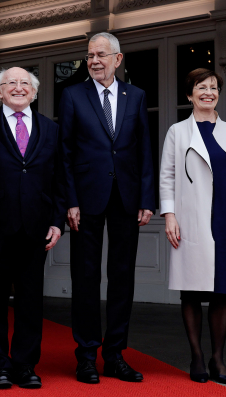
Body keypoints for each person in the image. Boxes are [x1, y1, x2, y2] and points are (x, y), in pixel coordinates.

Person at [59, 32, 155, 384]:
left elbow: (145, 149)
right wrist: (69, 199)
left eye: (101, 55)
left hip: (127, 199)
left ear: (118, 59)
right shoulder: (72, 95)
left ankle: (114, 355)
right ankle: (86, 355)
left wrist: (147, 198)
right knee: (84, 278)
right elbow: (65, 153)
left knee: (122, 278)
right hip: (85, 200)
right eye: (89, 56)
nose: (94, 61)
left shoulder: (137, 96)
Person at [0, 67, 63, 390]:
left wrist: (56, 220)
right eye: (11, 83)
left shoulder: (51, 129)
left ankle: (25, 364)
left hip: (36, 226)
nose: (19, 88)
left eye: (25, 84)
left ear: (34, 92)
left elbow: (59, 179)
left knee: (31, 299)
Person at [159, 68, 226, 385]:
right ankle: (197, 357)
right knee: (191, 291)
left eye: (214, 87)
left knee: (220, 293)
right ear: (190, 94)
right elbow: (168, 176)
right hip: (190, 219)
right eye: (201, 87)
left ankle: (218, 359)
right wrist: (169, 215)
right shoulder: (177, 132)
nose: (208, 92)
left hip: (225, 217)